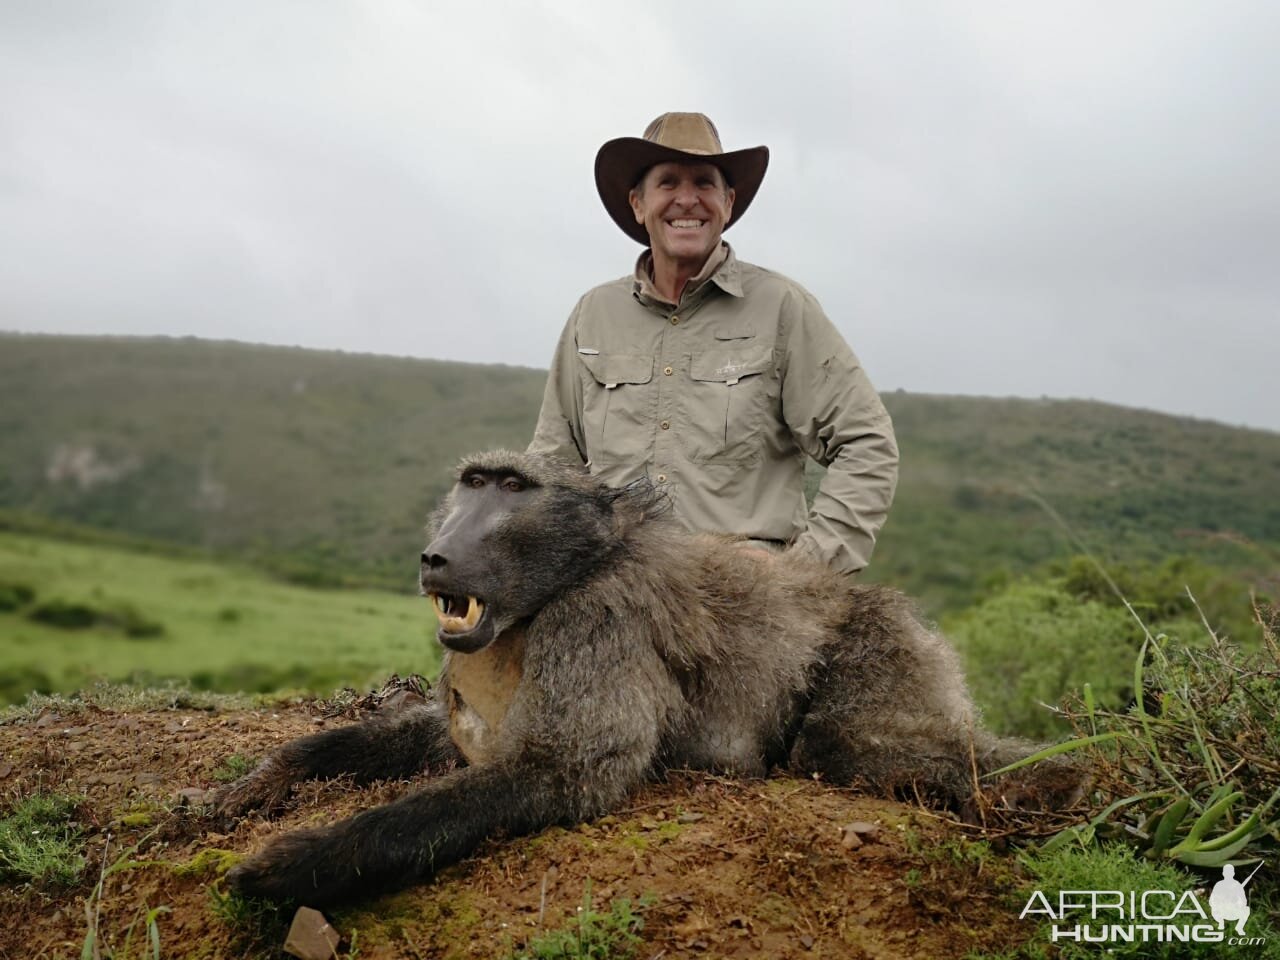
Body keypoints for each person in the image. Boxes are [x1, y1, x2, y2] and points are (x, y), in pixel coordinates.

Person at [528, 112, 897, 575]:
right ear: (638, 205)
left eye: (704, 182)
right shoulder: (594, 314)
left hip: (746, 601)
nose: (687, 199)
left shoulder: (782, 307)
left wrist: (806, 565)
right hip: (615, 591)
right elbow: (551, 467)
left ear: (727, 202)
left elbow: (867, 442)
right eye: (668, 183)